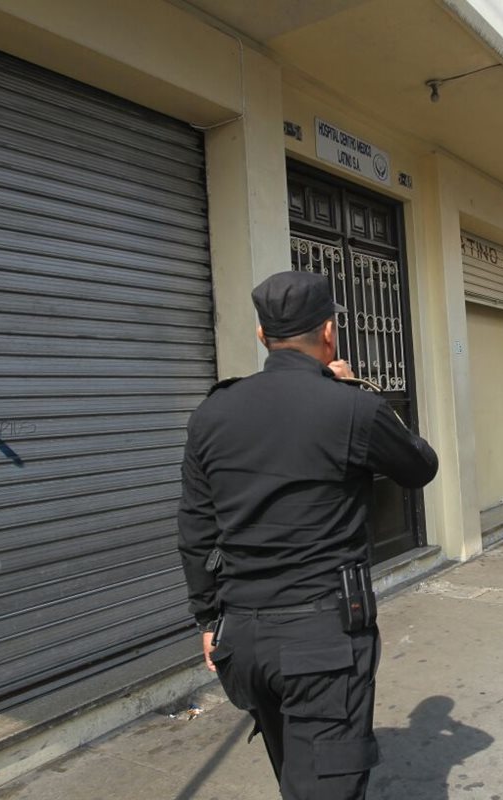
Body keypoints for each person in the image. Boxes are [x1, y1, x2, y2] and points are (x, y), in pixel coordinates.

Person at [177, 271, 439, 799]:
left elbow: (195, 529)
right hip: (322, 640)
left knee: (296, 776)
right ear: (329, 333)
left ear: (261, 336)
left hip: (243, 642)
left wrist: (208, 619)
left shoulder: (212, 412)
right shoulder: (352, 407)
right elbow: (420, 467)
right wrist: (355, 390)